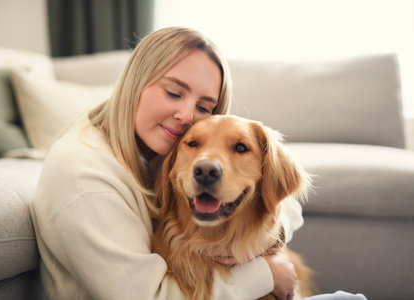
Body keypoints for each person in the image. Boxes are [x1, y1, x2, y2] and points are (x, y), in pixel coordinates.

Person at [30, 27, 367, 300]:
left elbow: (283, 200)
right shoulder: (84, 174)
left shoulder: (159, 147)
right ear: (135, 84)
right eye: (174, 93)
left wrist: (270, 237)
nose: (187, 116)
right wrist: (267, 275)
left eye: (205, 107)